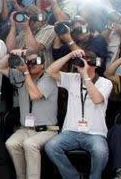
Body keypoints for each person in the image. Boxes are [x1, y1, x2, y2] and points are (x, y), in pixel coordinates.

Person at [44, 50, 112, 179]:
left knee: (101, 152)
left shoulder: (105, 83)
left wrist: (85, 75)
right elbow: (50, 71)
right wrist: (70, 55)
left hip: (95, 134)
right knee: (51, 146)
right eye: (81, 61)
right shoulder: (72, 78)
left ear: (94, 64)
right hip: (71, 132)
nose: (82, 64)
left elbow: (97, 99)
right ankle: (73, 177)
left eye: (86, 61)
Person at [0, 50, 59, 179]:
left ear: (43, 64)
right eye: (28, 61)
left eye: (35, 61)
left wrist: (26, 72)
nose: (31, 64)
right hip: (25, 129)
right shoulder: (20, 76)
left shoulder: (49, 79)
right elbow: (0, 67)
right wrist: (12, 54)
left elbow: (35, 95)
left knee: (29, 144)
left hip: (46, 130)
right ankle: (21, 177)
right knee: (11, 143)